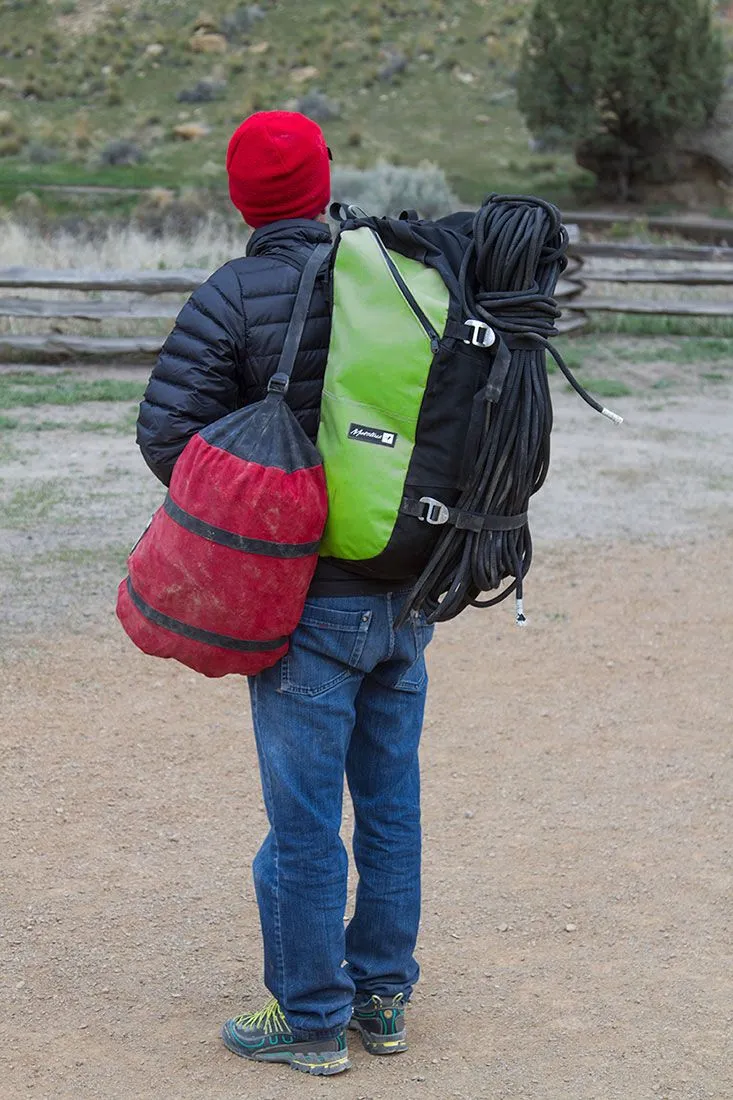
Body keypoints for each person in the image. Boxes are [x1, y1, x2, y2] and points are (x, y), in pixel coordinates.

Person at [136, 111, 434, 1077]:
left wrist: (259, 503)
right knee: (388, 800)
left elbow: (165, 434)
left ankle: (309, 1020)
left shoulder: (232, 292)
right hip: (404, 587)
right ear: (325, 179)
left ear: (239, 199)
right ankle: (383, 999)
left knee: (304, 821)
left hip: (304, 604)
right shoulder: (394, 274)